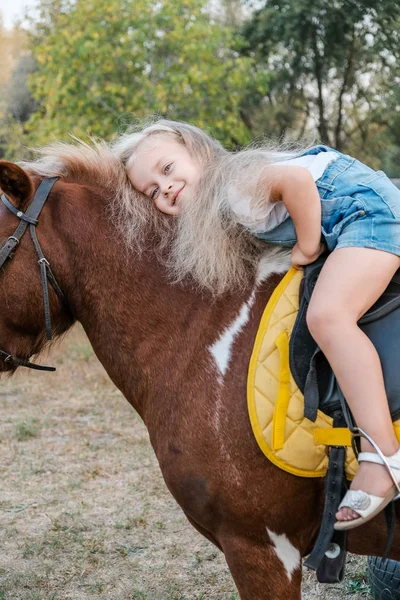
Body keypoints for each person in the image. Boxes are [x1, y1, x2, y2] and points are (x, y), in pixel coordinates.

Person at [113, 118, 400, 530]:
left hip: (367, 215)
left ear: (197, 150)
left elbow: (297, 183)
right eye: (153, 191)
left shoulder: (234, 188)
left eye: (167, 169)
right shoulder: (225, 197)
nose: (166, 188)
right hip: (356, 212)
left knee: (328, 316)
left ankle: (382, 457)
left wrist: (308, 244)